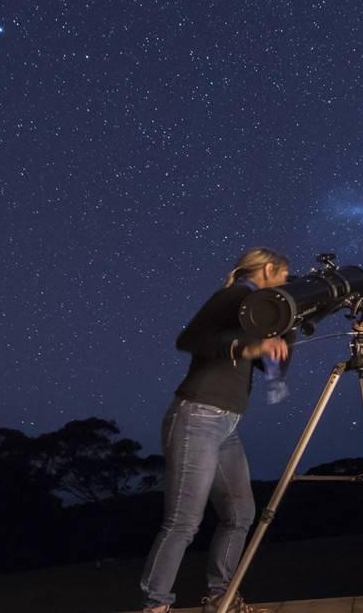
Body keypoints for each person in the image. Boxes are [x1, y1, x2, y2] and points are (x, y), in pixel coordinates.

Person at [139, 247, 292, 613]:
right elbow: (190, 339)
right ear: (269, 269)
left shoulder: (255, 310)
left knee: (239, 514)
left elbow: (265, 364)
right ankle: (156, 604)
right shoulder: (235, 296)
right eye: (284, 275)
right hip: (197, 416)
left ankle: (220, 596)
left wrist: (277, 344)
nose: (286, 281)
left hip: (227, 424)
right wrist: (247, 345)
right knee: (183, 521)